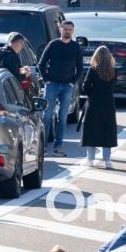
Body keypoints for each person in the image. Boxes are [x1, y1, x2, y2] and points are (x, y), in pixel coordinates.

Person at [39, 20, 84, 156]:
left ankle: (58, 147)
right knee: (47, 116)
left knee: (63, 118)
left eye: (70, 29)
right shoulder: (53, 45)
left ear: (73, 31)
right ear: (60, 30)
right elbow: (41, 64)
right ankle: (43, 148)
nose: (67, 31)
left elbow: (80, 68)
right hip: (51, 85)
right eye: (65, 29)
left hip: (67, 86)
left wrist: (72, 83)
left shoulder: (76, 47)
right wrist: (47, 80)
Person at [80, 46, 118, 169]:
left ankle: (90, 160)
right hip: (108, 103)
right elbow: (113, 86)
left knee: (91, 131)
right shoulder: (113, 70)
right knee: (107, 131)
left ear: (96, 56)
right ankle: (107, 160)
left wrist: (91, 92)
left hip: (94, 103)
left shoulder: (93, 69)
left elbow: (85, 87)